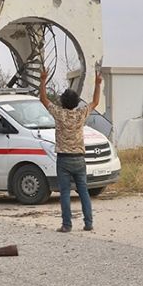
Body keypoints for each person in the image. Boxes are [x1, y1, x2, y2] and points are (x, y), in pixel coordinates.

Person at [39, 68, 102, 233]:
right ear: (76, 102)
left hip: (63, 159)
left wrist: (43, 80)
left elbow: (43, 99)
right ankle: (88, 223)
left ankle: (67, 225)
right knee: (83, 192)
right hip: (79, 159)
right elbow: (95, 102)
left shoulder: (59, 114)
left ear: (62, 102)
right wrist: (97, 84)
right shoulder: (81, 114)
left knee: (65, 193)